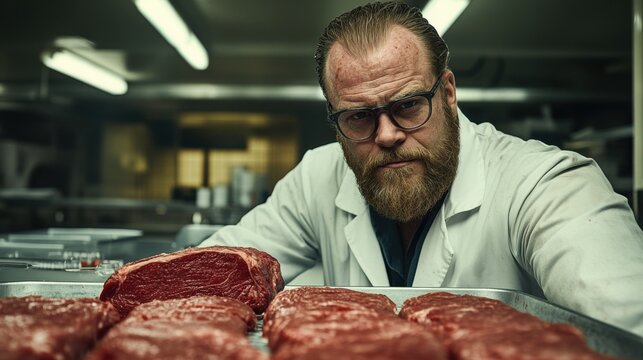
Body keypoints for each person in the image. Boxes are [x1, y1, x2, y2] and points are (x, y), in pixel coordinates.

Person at [201, 1, 643, 336]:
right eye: (359, 117)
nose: (388, 134)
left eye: (408, 106)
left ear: (448, 92)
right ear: (335, 119)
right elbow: (208, 274)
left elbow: (625, 328)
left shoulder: (542, 186)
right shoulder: (317, 177)